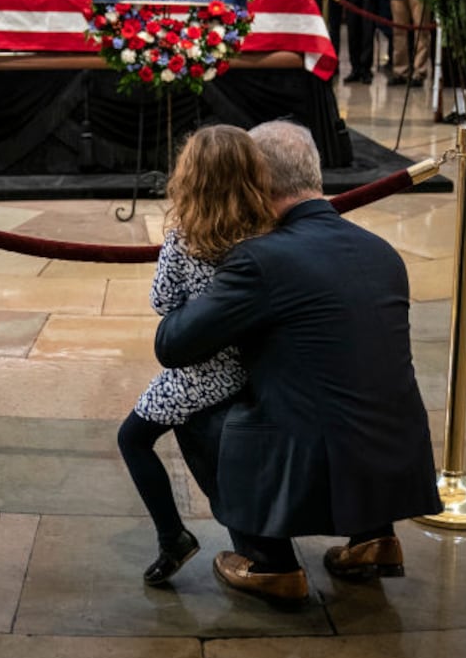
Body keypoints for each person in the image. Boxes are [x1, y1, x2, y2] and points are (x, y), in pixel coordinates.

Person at [154, 120, 441, 605]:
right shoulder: (381, 250)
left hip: (313, 456)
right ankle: (374, 537)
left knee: (192, 402)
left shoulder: (262, 259)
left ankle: (269, 561)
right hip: (397, 451)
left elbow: (173, 345)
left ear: (255, 180)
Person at [119, 126, 275, 585]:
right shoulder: (268, 233)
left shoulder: (183, 241)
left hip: (201, 372)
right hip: (255, 363)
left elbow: (164, 305)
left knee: (132, 439)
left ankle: (173, 537)